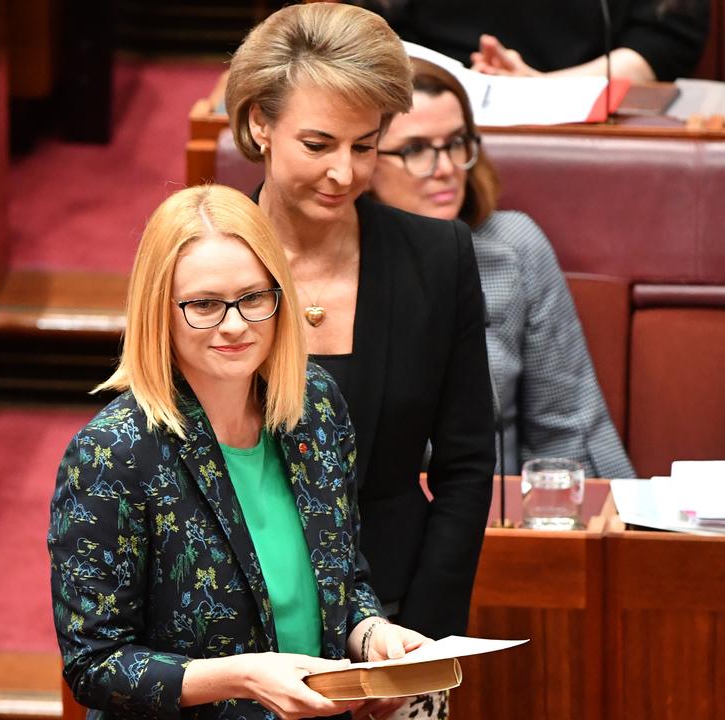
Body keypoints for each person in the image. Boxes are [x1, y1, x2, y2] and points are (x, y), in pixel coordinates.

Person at [48, 184, 430, 720]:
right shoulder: (112, 453)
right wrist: (241, 676)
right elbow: (95, 663)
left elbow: (343, 575)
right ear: (160, 310)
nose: (235, 324)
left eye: (253, 297)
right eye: (204, 304)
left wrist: (372, 637)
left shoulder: (314, 406)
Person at [225, 4, 496, 717]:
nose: (344, 172)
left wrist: (422, 648)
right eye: (317, 143)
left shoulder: (438, 260)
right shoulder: (198, 261)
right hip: (228, 642)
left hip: (398, 628)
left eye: (365, 146)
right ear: (259, 123)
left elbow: (467, 468)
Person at [370, 57, 637, 480]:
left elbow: (567, 426)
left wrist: (615, 536)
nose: (446, 169)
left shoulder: (512, 246)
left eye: (457, 142)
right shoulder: (333, 258)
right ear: (362, 159)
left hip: (496, 520)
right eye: (415, 149)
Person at [350, 0, 710, 82]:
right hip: (423, 102)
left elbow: (665, 40)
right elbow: (366, 26)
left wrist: (542, 91)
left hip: (587, 116)